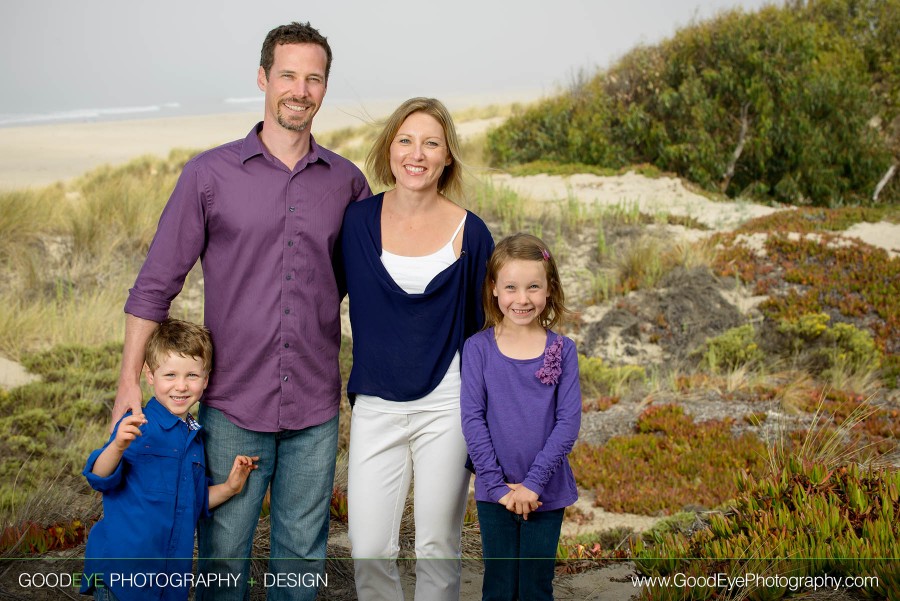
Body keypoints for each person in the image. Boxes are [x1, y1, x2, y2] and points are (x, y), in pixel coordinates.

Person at [112, 22, 371, 601]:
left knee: (302, 557)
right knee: (223, 554)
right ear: (262, 78)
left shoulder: (348, 183)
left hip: (314, 407)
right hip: (232, 405)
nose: (299, 90)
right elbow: (156, 284)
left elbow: (372, 289)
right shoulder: (208, 175)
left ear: (325, 88)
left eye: (313, 78)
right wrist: (129, 378)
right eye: (287, 75)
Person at [341, 97, 494, 600]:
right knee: (367, 547)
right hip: (376, 405)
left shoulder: (471, 233)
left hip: (447, 407)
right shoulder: (356, 223)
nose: (417, 153)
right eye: (406, 140)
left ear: (448, 156)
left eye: (432, 143)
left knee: (436, 545)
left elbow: (486, 334)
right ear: (389, 149)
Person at [82, 318, 258, 601]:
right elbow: (99, 477)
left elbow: (192, 502)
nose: (181, 386)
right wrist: (116, 446)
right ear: (150, 376)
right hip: (123, 577)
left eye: (192, 376)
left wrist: (230, 488)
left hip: (169, 581)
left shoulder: (195, 440)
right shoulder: (136, 426)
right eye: (170, 375)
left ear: (206, 380)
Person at [460, 233, 582, 601]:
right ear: (494, 289)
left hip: (547, 491)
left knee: (534, 586)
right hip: (493, 492)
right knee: (497, 585)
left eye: (533, 287)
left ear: (549, 289)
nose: (522, 298)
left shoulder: (563, 349)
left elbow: (567, 424)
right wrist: (497, 487)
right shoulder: (478, 348)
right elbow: (472, 419)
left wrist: (533, 484)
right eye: (511, 287)